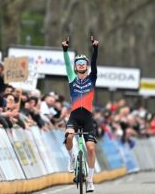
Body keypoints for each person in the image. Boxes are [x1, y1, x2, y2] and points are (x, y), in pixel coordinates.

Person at [62, 36, 99, 192]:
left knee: (90, 148)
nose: (81, 66)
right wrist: (65, 50)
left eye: (84, 64)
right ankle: (71, 159)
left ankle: (90, 180)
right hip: (75, 116)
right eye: (78, 64)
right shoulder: (72, 78)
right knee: (69, 136)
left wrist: (95, 49)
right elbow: (66, 65)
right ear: (76, 67)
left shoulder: (92, 78)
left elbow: (95, 63)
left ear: (87, 66)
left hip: (88, 118)